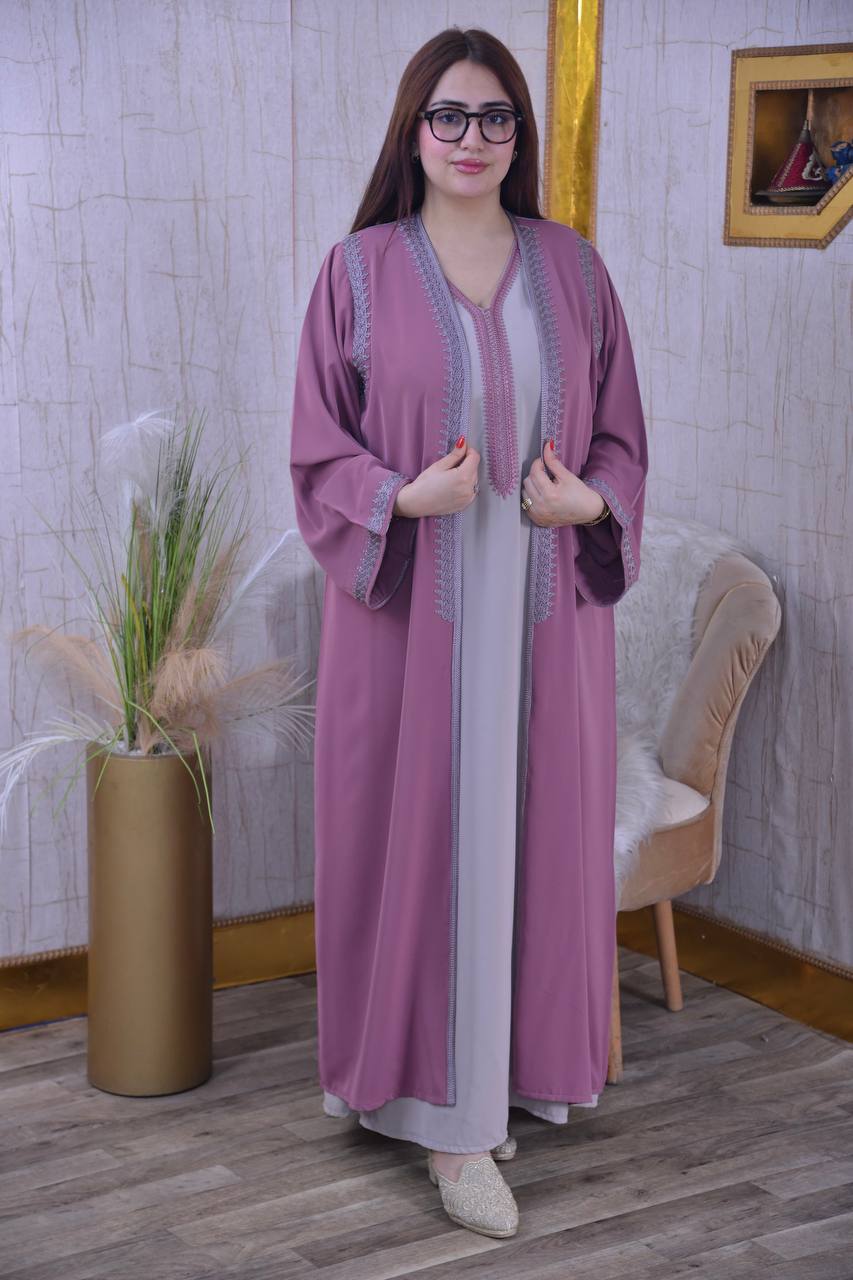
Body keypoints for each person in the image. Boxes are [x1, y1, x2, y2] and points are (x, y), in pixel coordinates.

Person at [289, 26, 648, 1239]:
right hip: (412, 626)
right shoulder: (356, 272)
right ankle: (449, 1128)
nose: (471, 138)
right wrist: (398, 495)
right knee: (429, 839)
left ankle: (497, 1081)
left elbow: (620, 438)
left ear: (517, 135)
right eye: (448, 115)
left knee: (524, 838)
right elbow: (315, 451)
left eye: (495, 117)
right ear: (413, 129)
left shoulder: (573, 268)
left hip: (545, 622)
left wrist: (590, 502)